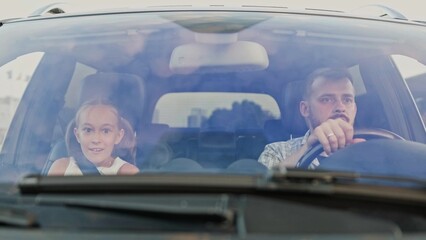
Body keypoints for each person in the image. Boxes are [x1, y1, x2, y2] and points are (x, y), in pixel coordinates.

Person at [258, 68, 364, 169]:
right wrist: (307, 148)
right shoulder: (277, 152)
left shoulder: (372, 146)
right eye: (326, 99)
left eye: (347, 100)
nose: (340, 108)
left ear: (355, 109)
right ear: (305, 109)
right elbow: (265, 184)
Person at [48, 99, 140, 175]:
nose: (96, 139)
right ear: (77, 135)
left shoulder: (127, 173)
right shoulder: (61, 167)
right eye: (88, 130)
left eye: (106, 131)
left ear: (118, 136)